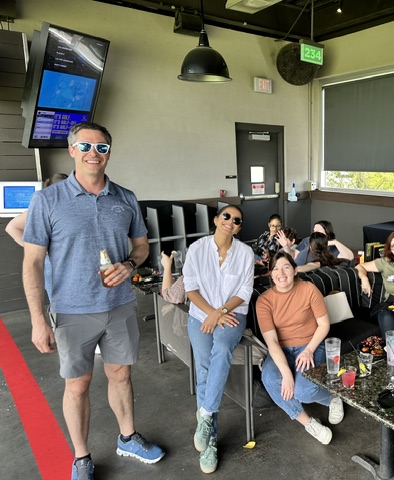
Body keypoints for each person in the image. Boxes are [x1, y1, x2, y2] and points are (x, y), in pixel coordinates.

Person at [22, 122, 164, 480]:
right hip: (72, 311)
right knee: (78, 384)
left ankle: (128, 437)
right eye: (85, 146)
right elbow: (33, 262)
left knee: (120, 374)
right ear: (72, 151)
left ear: (109, 154)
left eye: (101, 148)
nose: (93, 154)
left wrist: (130, 265)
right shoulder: (47, 200)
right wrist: (39, 320)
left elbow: (142, 246)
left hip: (118, 305)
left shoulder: (126, 197)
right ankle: (82, 457)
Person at [182, 204, 254, 474]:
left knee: (222, 349)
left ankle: (206, 416)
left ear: (239, 227)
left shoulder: (245, 253)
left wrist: (221, 312)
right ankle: (210, 440)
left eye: (237, 220)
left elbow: (245, 290)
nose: (231, 222)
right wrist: (211, 314)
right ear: (216, 219)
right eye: (226, 216)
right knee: (203, 371)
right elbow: (190, 288)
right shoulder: (197, 249)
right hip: (200, 316)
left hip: (233, 315)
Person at [256, 251, 344, 444]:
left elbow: (323, 325)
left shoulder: (308, 289)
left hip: (310, 344)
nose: (281, 273)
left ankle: (333, 397)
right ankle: (309, 423)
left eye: (286, 267)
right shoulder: (264, 301)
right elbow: (271, 341)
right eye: (276, 269)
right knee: (270, 378)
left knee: (303, 391)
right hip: (281, 350)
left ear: (295, 270)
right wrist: (286, 373)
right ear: (270, 274)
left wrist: (309, 350)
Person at [6, 173, 68, 300]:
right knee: (58, 301)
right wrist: (34, 247)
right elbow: (12, 227)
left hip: (69, 259)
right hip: (52, 262)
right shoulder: (44, 206)